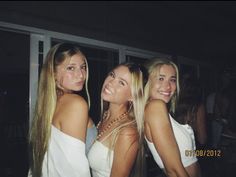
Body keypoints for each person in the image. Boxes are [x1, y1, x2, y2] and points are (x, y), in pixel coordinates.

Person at [28, 43, 96, 177]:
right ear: (53, 73)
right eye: (71, 68)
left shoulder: (47, 105)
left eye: (83, 67)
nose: (81, 75)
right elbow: (76, 170)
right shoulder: (76, 104)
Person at [144, 58, 201, 177]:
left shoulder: (155, 108)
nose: (168, 86)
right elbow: (174, 170)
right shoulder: (155, 107)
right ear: (146, 81)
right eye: (161, 78)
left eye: (172, 80)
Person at [88, 62, 146, 177]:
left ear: (132, 96)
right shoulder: (105, 116)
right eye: (112, 75)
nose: (110, 83)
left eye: (121, 83)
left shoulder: (127, 132)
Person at [175, 75, 207, 148]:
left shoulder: (174, 104)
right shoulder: (198, 107)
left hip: (175, 146)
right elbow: (202, 139)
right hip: (190, 148)